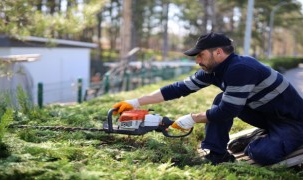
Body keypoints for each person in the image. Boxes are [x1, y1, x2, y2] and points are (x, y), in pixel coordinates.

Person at [112, 32, 303, 165]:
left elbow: (228, 111)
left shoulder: (241, 68)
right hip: (265, 114)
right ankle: (216, 153)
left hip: (292, 121)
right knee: (223, 98)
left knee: (261, 154)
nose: (197, 60)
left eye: (200, 55)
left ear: (218, 52)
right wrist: (136, 102)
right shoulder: (213, 70)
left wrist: (192, 118)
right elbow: (177, 88)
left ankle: (260, 139)